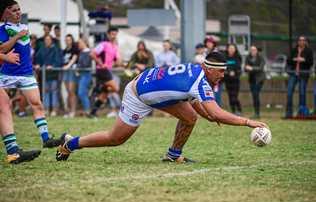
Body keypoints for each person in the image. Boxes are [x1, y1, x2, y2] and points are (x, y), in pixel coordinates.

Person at [56, 51, 267, 163]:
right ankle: (70, 144)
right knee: (116, 139)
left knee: (190, 117)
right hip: (138, 95)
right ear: (209, 69)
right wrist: (248, 122)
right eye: (220, 71)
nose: (222, 75)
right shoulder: (200, 81)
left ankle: (173, 155)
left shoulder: (197, 72)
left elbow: (201, 106)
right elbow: (215, 112)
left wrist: (211, 115)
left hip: (151, 85)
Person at [0, 0, 63, 164]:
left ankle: (46, 138)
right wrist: (17, 38)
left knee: (37, 104)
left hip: (26, 74)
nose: (18, 13)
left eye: (19, 10)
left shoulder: (24, 27)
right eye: (14, 10)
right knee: (4, 107)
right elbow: (2, 49)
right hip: (6, 74)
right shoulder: (3, 29)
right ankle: (13, 152)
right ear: (6, 12)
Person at [89, 26, 122, 117]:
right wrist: (100, 63)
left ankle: (93, 113)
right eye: (112, 34)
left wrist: (120, 63)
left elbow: (117, 61)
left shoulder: (115, 47)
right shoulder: (103, 44)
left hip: (108, 71)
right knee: (116, 88)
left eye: (115, 34)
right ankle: (97, 89)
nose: (114, 36)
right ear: (108, 35)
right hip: (102, 70)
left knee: (105, 94)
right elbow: (92, 54)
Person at [285, 36, 314, 118]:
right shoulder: (294, 50)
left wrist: (303, 60)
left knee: (302, 93)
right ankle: (289, 113)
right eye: (300, 40)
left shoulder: (308, 51)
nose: (301, 41)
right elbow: (288, 60)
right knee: (289, 92)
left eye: (303, 40)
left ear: (305, 41)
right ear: (298, 41)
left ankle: (301, 113)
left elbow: (311, 62)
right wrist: (295, 59)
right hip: (294, 73)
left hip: (303, 74)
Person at [35, 35, 63, 116]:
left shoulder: (56, 49)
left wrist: (53, 66)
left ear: (51, 41)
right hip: (45, 76)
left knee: (54, 92)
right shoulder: (42, 49)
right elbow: (37, 59)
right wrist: (37, 64)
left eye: (48, 40)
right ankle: (46, 109)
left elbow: (59, 60)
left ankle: (54, 110)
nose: (47, 41)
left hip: (54, 75)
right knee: (45, 92)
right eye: (46, 40)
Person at [245, 45, 266, 118]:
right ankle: (256, 112)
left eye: (254, 50)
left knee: (256, 94)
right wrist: (248, 68)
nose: (252, 51)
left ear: (257, 50)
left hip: (259, 79)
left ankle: (257, 113)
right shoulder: (248, 57)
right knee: (254, 96)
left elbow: (261, 68)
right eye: (251, 50)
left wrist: (251, 68)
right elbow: (245, 68)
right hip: (251, 79)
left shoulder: (261, 57)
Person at [62, 34, 79, 118]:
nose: (67, 41)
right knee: (68, 92)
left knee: (72, 92)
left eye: (69, 39)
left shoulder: (74, 49)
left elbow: (74, 59)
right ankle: (68, 111)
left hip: (71, 71)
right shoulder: (64, 50)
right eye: (66, 39)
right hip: (65, 72)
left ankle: (73, 111)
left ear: (72, 40)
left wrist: (68, 66)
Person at [224, 43, 242, 114]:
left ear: (235, 49)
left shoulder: (237, 57)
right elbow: (224, 67)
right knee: (230, 96)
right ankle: (233, 111)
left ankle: (239, 109)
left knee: (234, 96)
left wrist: (235, 72)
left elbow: (239, 68)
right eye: (230, 48)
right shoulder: (225, 57)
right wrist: (228, 72)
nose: (231, 50)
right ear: (227, 49)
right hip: (227, 79)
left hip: (235, 80)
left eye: (233, 48)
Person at [76, 38, 92, 116]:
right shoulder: (81, 52)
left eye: (79, 43)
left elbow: (85, 64)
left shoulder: (88, 52)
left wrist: (77, 66)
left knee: (82, 93)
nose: (78, 44)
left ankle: (87, 110)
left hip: (86, 75)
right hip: (82, 75)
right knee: (83, 93)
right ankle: (86, 110)